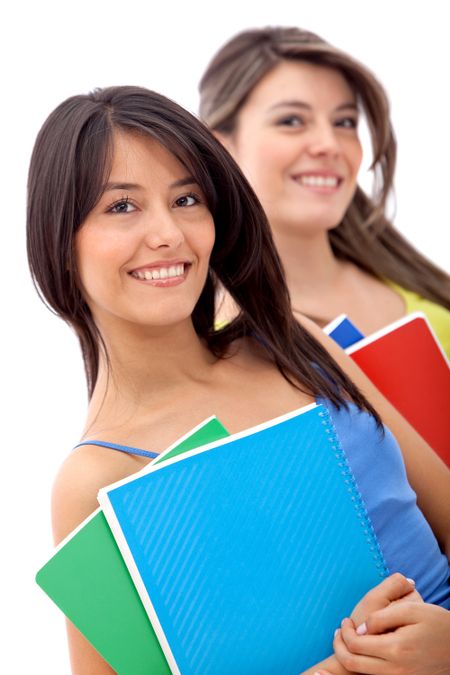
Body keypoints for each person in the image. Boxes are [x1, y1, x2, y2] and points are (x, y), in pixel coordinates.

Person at [27, 85, 450, 674]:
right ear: (59, 239)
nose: (168, 234)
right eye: (122, 206)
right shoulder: (96, 478)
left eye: (187, 199)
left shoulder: (290, 340)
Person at [198, 26, 450, 359]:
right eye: (291, 121)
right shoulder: (217, 345)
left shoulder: (422, 288)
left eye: (344, 122)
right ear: (222, 148)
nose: (330, 145)